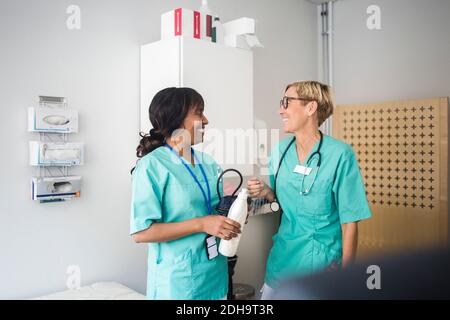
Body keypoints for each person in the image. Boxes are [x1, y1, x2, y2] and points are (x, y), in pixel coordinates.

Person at [247, 81, 372, 299]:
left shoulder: (340, 155)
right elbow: (284, 199)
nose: (280, 109)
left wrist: (346, 276)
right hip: (282, 262)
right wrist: (266, 191)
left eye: (287, 102)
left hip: (321, 265)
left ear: (311, 108)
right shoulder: (280, 151)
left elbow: (350, 222)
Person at [130, 87, 241, 300]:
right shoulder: (152, 166)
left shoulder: (207, 162)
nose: (206, 120)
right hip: (178, 282)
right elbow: (141, 233)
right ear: (177, 119)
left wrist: (235, 210)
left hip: (214, 274)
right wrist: (202, 224)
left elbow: (215, 211)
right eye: (199, 113)